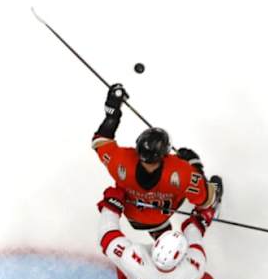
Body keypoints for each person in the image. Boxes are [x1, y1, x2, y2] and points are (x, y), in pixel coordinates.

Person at [92, 84, 223, 239]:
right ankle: (205, 217)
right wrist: (195, 165)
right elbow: (204, 199)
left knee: (148, 200)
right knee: (208, 196)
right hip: (161, 216)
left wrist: (112, 112)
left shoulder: (121, 160)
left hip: (134, 218)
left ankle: (160, 233)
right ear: (164, 154)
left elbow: (100, 140)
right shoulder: (182, 171)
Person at [91, 186, 243, 279]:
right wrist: (199, 220)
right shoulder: (193, 267)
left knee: (122, 263)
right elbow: (194, 236)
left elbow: (107, 235)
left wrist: (111, 205)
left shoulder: (133, 259)